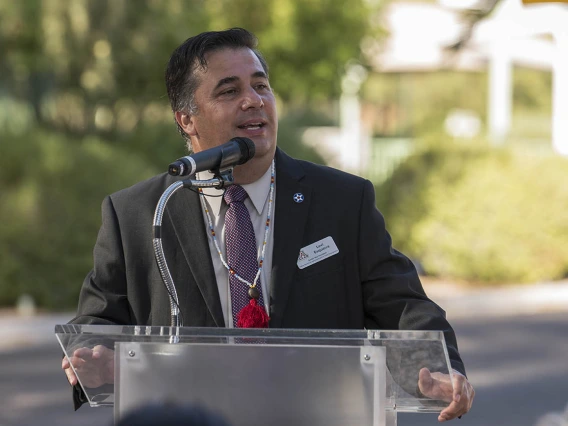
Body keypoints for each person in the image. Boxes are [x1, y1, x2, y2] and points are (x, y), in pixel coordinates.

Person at [62, 28, 474, 421]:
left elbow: (403, 306)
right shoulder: (138, 213)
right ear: (187, 119)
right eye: (229, 91)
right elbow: (96, 321)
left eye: (261, 86)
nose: (254, 100)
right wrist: (91, 357)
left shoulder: (342, 201)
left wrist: (440, 368)